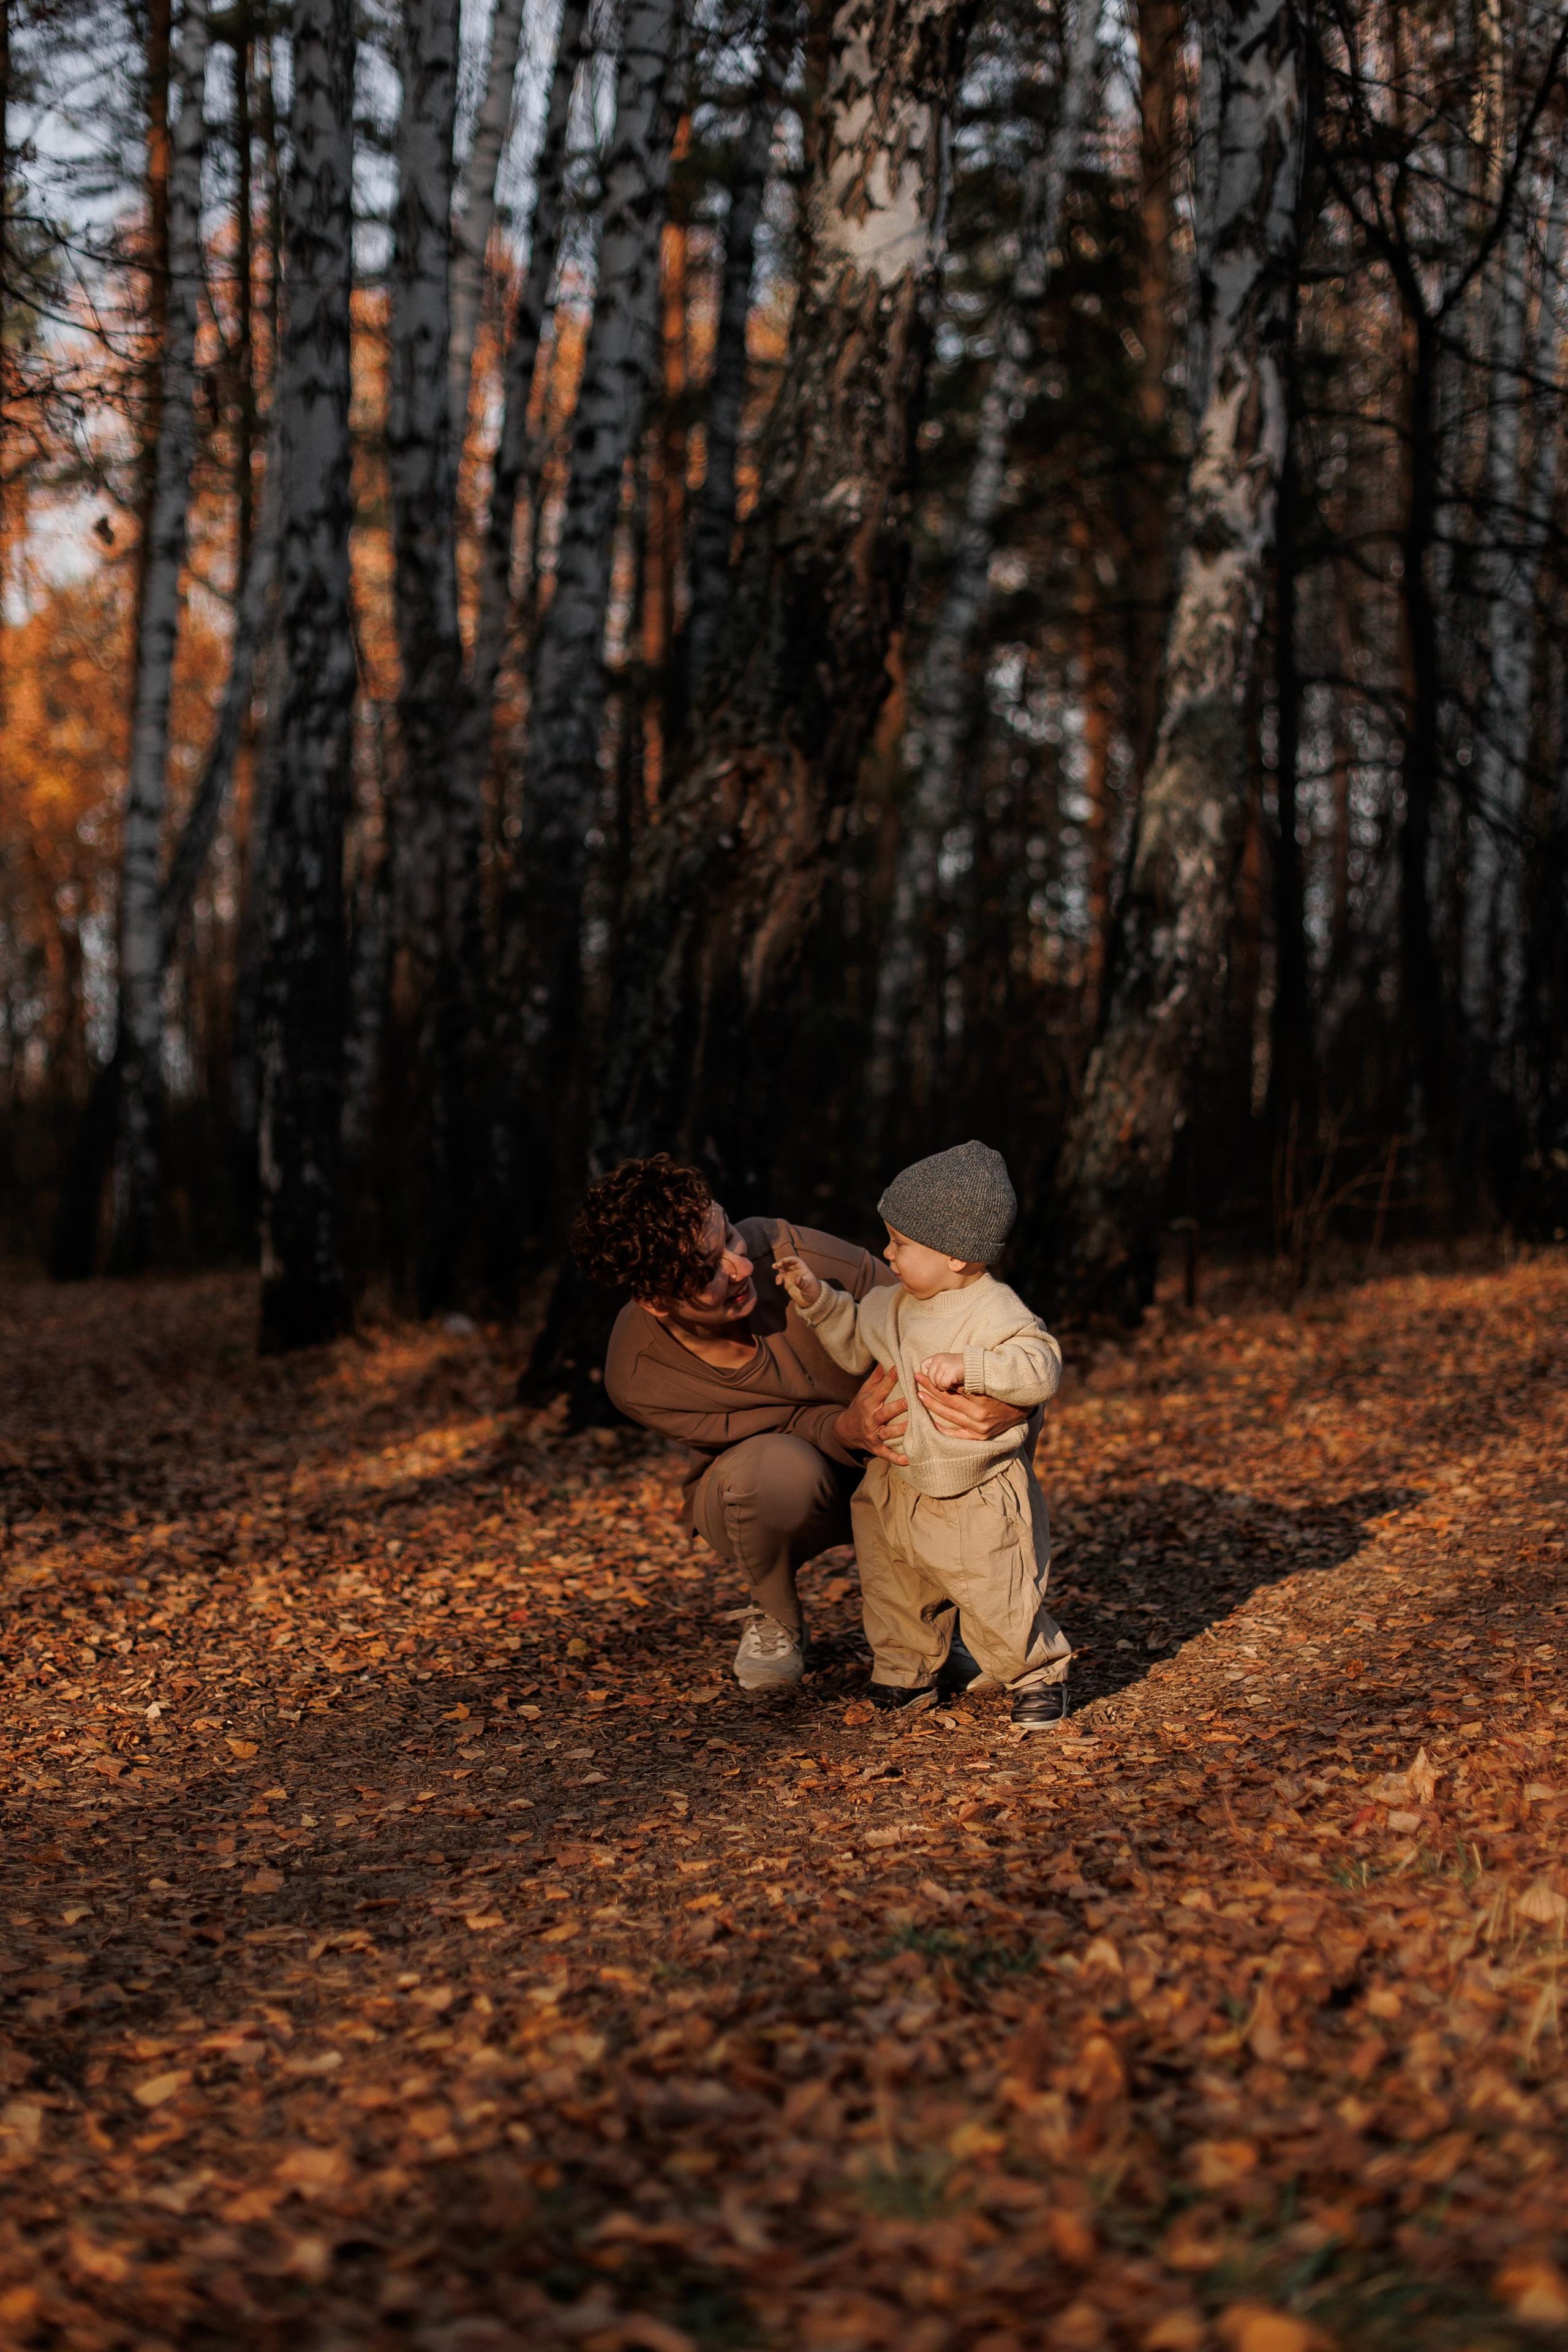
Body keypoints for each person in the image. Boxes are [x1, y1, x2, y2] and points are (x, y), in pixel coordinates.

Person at [569, 1155, 1031, 1690]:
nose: (740, 1269)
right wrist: (842, 1429)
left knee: (992, 1404)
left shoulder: (790, 1252)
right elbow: (759, 1432)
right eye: (706, 1270)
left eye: (730, 1240)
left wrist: (1012, 1406)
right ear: (654, 1300)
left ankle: (961, 1619)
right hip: (778, 1488)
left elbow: (961, 1309)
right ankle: (775, 1615)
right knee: (768, 1473)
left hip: (911, 1455)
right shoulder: (639, 1376)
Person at [774, 1139, 1071, 1733]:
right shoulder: (893, 1303)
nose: (887, 1253)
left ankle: (1037, 1675)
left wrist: (975, 1367)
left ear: (957, 1255)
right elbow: (854, 1334)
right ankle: (905, 1672)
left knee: (994, 1587)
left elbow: (1042, 1364)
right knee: (892, 1584)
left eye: (901, 1244)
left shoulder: (993, 1311)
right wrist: (815, 1299)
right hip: (896, 1479)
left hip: (973, 1486)